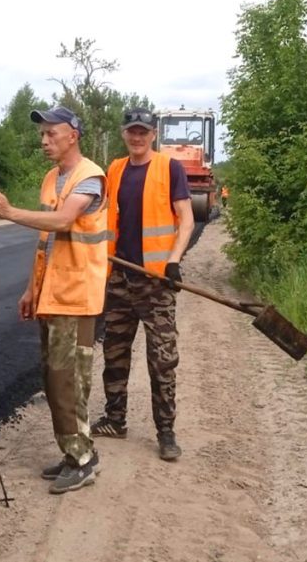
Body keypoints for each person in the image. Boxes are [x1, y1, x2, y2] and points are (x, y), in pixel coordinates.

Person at [0, 105, 108, 494]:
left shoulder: (89, 177)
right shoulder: (51, 179)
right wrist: (30, 289)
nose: (43, 141)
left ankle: (83, 460)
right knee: (55, 380)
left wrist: (8, 212)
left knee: (69, 381)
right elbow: (46, 241)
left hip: (76, 296)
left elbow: (61, 222)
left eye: (50, 133)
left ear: (73, 134)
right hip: (52, 294)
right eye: (41, 134)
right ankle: (74, 451)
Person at [91, 107, 195, 461]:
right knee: (114, 352)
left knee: (162, 359)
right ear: (124, 133)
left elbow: (186, 219)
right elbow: (102, 216)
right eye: (132, 131)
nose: (137, 137)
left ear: (153, 134)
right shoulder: (116, 169)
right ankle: (114, 419)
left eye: (143, 131)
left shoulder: (170, 168)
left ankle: (166, 432)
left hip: (156, 282)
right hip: (120, 276)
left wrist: (173, 260)